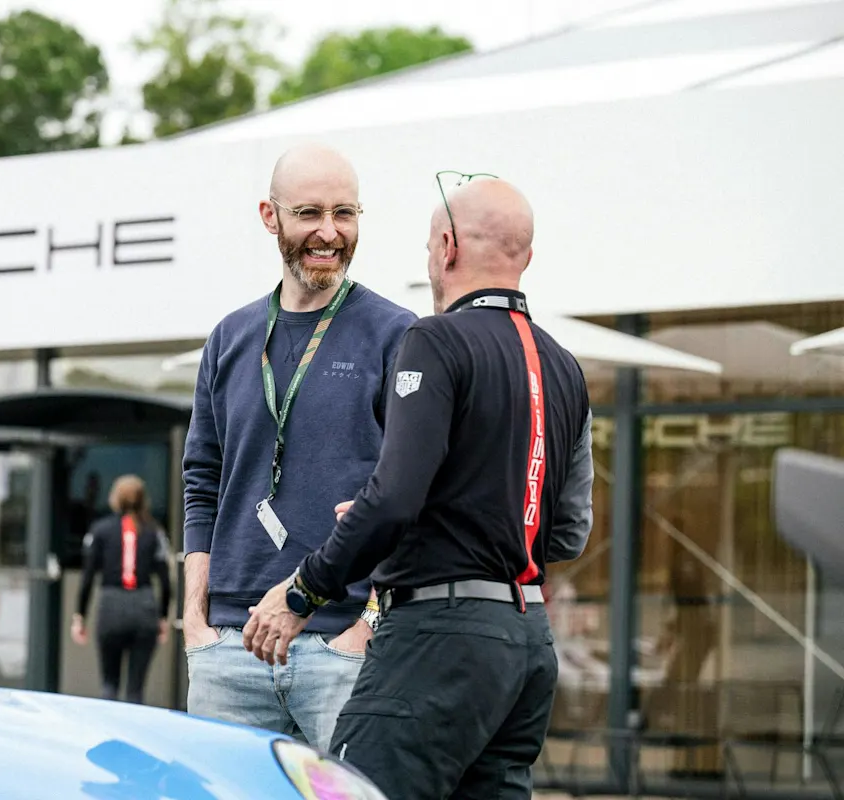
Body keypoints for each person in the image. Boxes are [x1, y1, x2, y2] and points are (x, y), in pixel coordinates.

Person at [243, 174, 595, 799]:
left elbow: (395, 497)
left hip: (438, 637)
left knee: (353, 792)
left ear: (448, 247)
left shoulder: (433, 340)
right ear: (527, 257)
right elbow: (566, 530)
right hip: (527, 644)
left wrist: (301, 593)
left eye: (430, 245)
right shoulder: (564, 365)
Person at [181, 142, 418, 751]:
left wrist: (365, 628)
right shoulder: (230, 338)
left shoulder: (398, 334)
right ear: (270, 215)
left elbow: (413, 492)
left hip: (342, 648)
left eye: (346, 213)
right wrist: (194, 621)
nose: (329, 232)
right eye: (310, 213)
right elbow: (201, 482)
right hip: (228, 650)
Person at [72, 475, 173, 704]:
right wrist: (164, 616)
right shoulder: (155, 532)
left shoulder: (99, 530)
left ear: (114, 498)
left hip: (110, 607)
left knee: (109, 685)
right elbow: (166, 581)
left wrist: (80, 616)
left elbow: (87, 577)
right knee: (136, 690)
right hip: (144, 608)